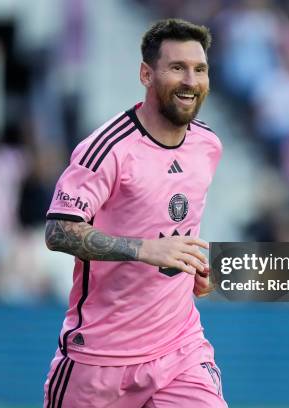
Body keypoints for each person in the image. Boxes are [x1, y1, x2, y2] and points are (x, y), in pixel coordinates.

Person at [43, 18, 226, 408]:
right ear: (146, 74)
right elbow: (58, 231)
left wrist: (190, 266)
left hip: (180, 350)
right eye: (177, 68)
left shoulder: (208, 145)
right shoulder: (107, 149)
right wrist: (144, 250)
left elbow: (172, 221)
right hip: (99, 359)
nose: (190, 80)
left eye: (200, 69)